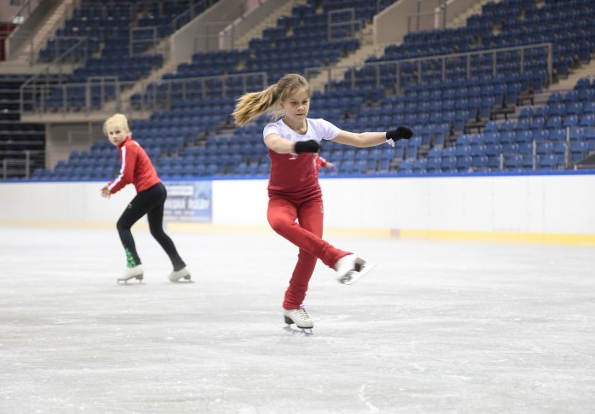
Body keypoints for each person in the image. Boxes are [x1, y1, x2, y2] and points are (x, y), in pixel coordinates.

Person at [231, 74, 412, 329]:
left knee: (309, 251)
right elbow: (277, 144)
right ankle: (338, 258)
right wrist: (299, 147)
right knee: (279, 223)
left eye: (305, 101)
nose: (300, 107)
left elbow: (358, 139)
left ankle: (293, 305)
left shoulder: (319, 126)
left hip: (310, 198)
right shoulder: (274, 129)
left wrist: (389, 134)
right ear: (282, 104)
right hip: (281, 198)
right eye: (294, 103)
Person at [100, 113, 191, 284]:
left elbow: (126, 176)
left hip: (149, 191)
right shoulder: (129, 146)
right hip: (157, 190)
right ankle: (179, 267)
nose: (114, 136)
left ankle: (133, 265)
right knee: (157, 231)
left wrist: (112, 188)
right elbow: (129, 174)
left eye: (117, 132)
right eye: (110, 133)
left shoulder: (128, 147)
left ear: (126, 131)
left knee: (122, 225)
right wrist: (112, 184)